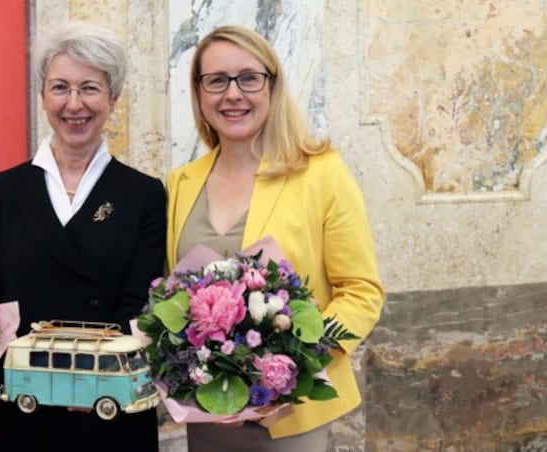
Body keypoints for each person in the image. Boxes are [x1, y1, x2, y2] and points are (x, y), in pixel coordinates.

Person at [0, 21, 166, 451]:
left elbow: (139, 304)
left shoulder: (143, 193)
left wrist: (88, 379)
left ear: (113, 99)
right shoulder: (2, 191)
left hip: (111, 404)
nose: (74, 104)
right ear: (43, 97)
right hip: (26, 405)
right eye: (60, 87)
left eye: (90, 88)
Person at [165, 25, 385, 451]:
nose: (233, 94)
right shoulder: (180, 183)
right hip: (207, 415)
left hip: (291, 414)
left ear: (272, 86)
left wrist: (294, 366)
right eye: (216, 80)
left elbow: (361, 292)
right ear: (198, 92)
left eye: (248, 78)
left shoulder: (321, 173)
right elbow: (171, 297)